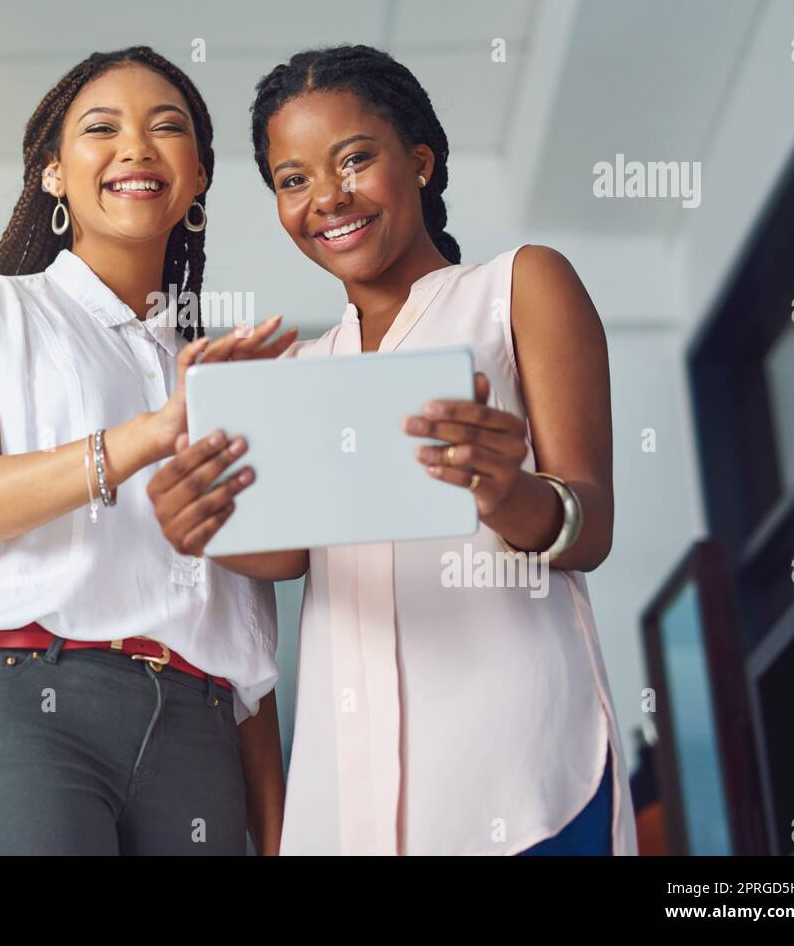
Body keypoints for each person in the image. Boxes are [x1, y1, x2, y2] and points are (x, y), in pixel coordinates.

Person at [147, 44, 637, 855]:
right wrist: (200, 518)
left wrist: (505, 493)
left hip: (517, 769)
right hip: (350, 787)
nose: (327, 198)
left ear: (419, 159)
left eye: (355, 159)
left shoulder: (517, 287)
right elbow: (289, 555)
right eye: (293, 179)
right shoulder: (301, 368)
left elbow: (592, 526)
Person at [0, 46, 296, 854]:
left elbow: (246, 635)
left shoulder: (218, 368)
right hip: (16, 711)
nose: (137, 147)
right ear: (52, 175)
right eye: (101, 128)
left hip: (201, 730)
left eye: (167, 128)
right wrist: (149, 435)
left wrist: (283, 828)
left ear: (200, 177)